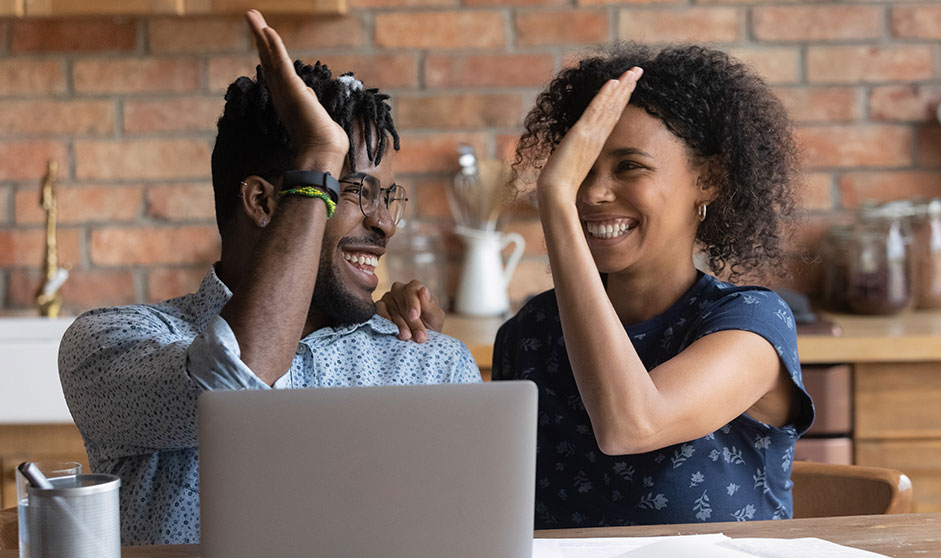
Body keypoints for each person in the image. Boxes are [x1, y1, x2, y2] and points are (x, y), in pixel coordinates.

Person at [58, 11, 479, 546]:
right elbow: (237, 381)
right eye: (354, 191)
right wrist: (318, 158)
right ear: (263, 201)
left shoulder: (430, 362)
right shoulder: (112, 344)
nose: (386, 223)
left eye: (386, 196)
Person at [385, 44, 814, 528]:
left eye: (630, 166)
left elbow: (631, 425)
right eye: (580, 172)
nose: (592, 193)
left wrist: (555, 198)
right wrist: (425, 350)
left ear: (708, 178)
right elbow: (477, 499)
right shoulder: (531, 332)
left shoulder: (751, 327)